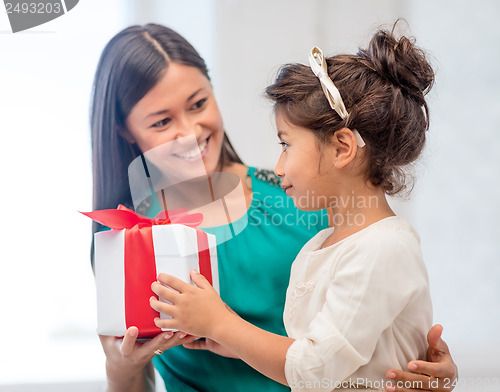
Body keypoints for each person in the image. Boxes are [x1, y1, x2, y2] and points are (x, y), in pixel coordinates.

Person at [90, 23, 458, 392]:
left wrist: (427, 367)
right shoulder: (127, 243)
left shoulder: (306, 196)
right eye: (162, 121)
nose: (188, 131)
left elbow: (377, 319)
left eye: (198, 104)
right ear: (126, 130)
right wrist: (120, 370)